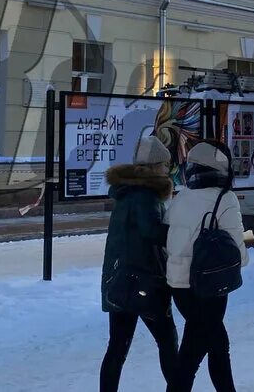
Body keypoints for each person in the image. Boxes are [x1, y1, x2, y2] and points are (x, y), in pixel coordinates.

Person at [165, 141, 248, 392]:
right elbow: (237, 253)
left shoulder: (181, 197)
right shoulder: (225, 198)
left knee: (198, 345)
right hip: (209, 286)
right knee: (212, 347)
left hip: (179, 287)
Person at [100, 136, 180, 392]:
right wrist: (180, 231)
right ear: (157, 166)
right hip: (143, 281)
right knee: (167, 340)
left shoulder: (126, 193)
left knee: (117, 346)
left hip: (118, 280)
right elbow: (152, 232)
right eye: (166, 166)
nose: (168, 170)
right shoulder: (146, 194)